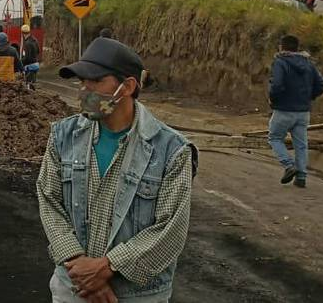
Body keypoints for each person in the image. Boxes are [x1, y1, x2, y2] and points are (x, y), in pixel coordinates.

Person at [37, 38, 195, 303]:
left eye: (95, 81)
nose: (84, 91)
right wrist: (83, 271)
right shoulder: (63, 136)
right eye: (82, 82)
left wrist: (108, 266)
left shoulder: (172, 151)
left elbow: (171, 229)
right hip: (73, 288)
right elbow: (49, 201)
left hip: (138, 295)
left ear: (128, 86)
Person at [268, 34, 323, 188]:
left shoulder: (280, 62)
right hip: (303, 111)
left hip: (284, 109)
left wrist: (273, 100)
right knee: (301, 144)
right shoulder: (308, 63)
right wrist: (309, 97)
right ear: (297, 47)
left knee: (274, 137)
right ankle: (301, 177)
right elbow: (321, 84)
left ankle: (289, 165)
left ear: (281, 47)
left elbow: (277, 85)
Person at [20, 24, 41, 89]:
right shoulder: (35, 40)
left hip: (29, 66)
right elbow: (38, 51)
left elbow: (27, 58)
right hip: (36, 64)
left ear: (22, 33)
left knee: (28, 85)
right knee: (33, 83)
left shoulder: (27, 43)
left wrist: (21, 62)